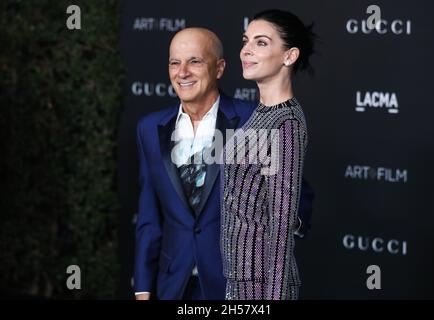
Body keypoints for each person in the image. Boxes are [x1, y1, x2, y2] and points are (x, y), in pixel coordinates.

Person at [134, 27, 313, 300]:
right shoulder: (149, 128)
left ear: (219, 68)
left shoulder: (252, 121)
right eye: (174, 62)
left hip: (237, 287)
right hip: (172, 286)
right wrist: (143, 289)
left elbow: (295, 192)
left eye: (195, 61)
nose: (182, 72)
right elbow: (149, 216)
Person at [221, 9, 316, 300]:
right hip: (241, 275)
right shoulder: (261, 114)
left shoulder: (285, 122)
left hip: (261, 284)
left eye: (261, 43)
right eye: (246, 40)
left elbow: (283, 221)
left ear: (289, 56)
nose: (246, 51)